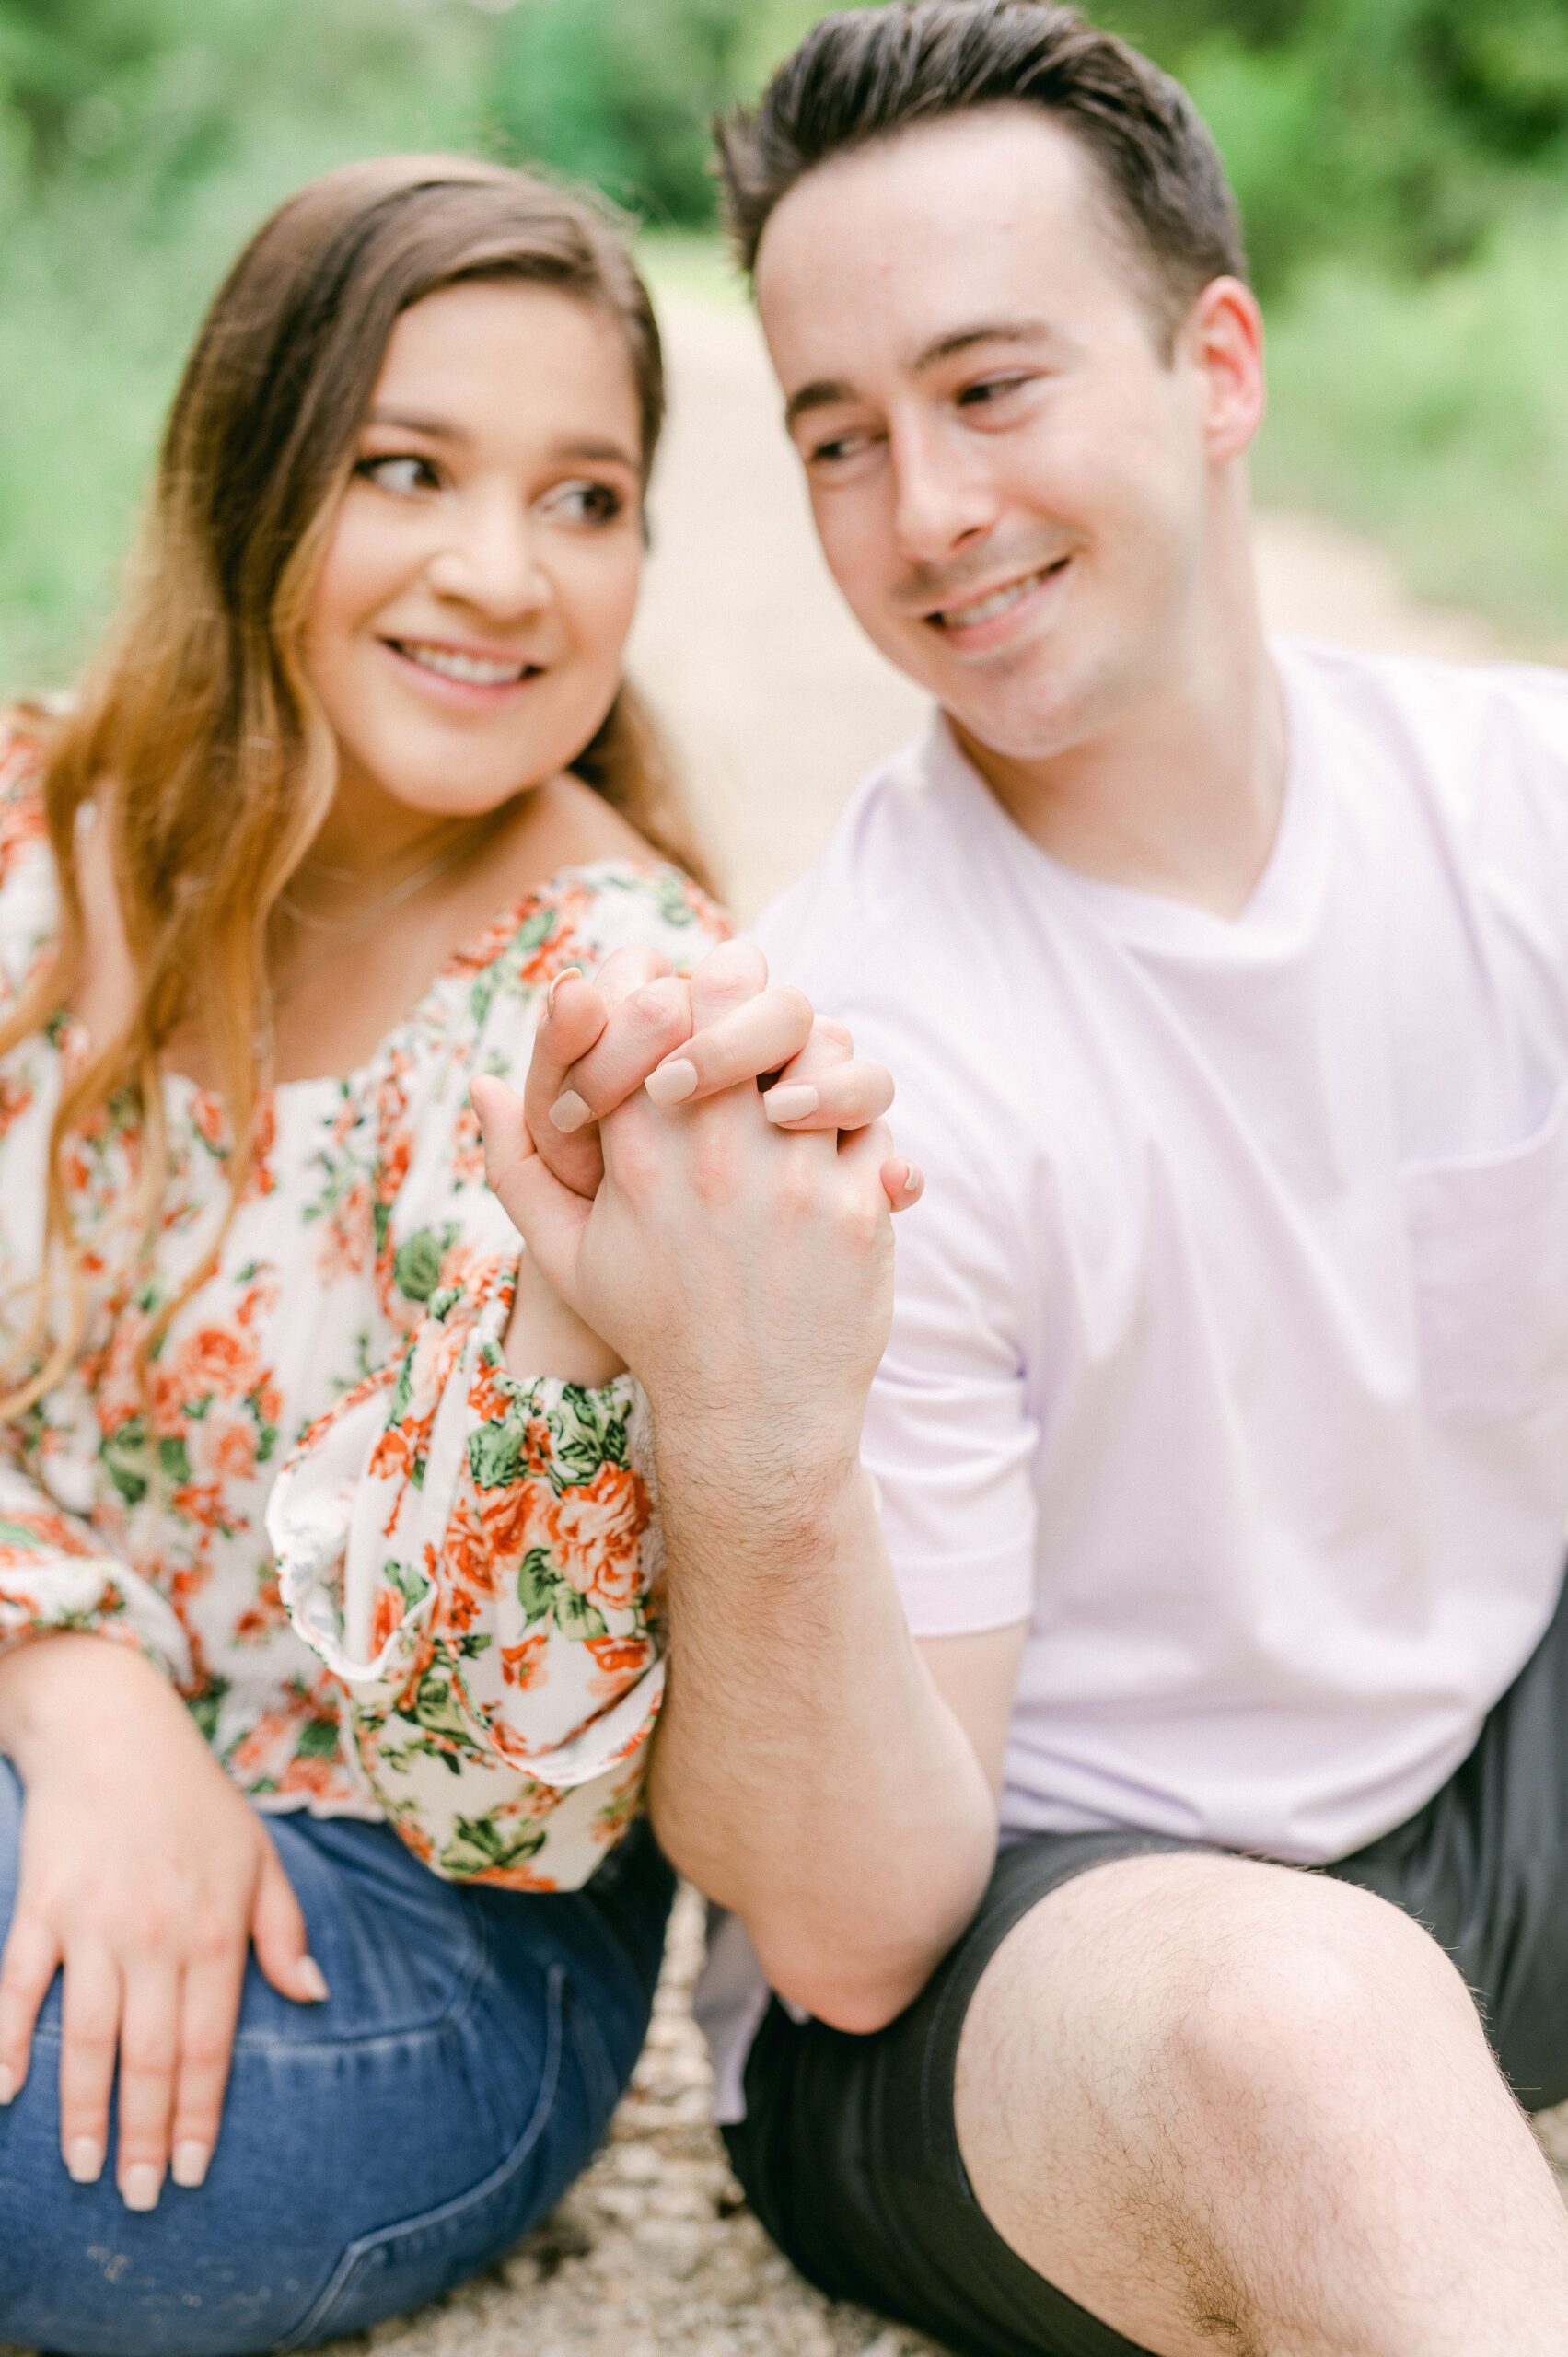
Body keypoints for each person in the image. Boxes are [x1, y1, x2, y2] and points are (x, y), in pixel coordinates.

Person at [515, 6, 1568, 2353]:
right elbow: (856, 1926)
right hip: (1040, 1955)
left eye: (990, 389)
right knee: (1313, 2029)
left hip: (1493, 1765)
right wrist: (760, 1456)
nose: (927, 513)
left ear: (1218, 365)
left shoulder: (1521, 808)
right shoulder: (845, 1050)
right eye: (839, 438)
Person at [0, 154, 912, 2355]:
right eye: (407, 468)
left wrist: (571, 1309)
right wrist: (76, 1680)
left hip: (392, 1942)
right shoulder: (42, 835)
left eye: (585, 498)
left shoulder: (611, 1010)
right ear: (249, 468)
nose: (503, 573)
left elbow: (510, 1799)